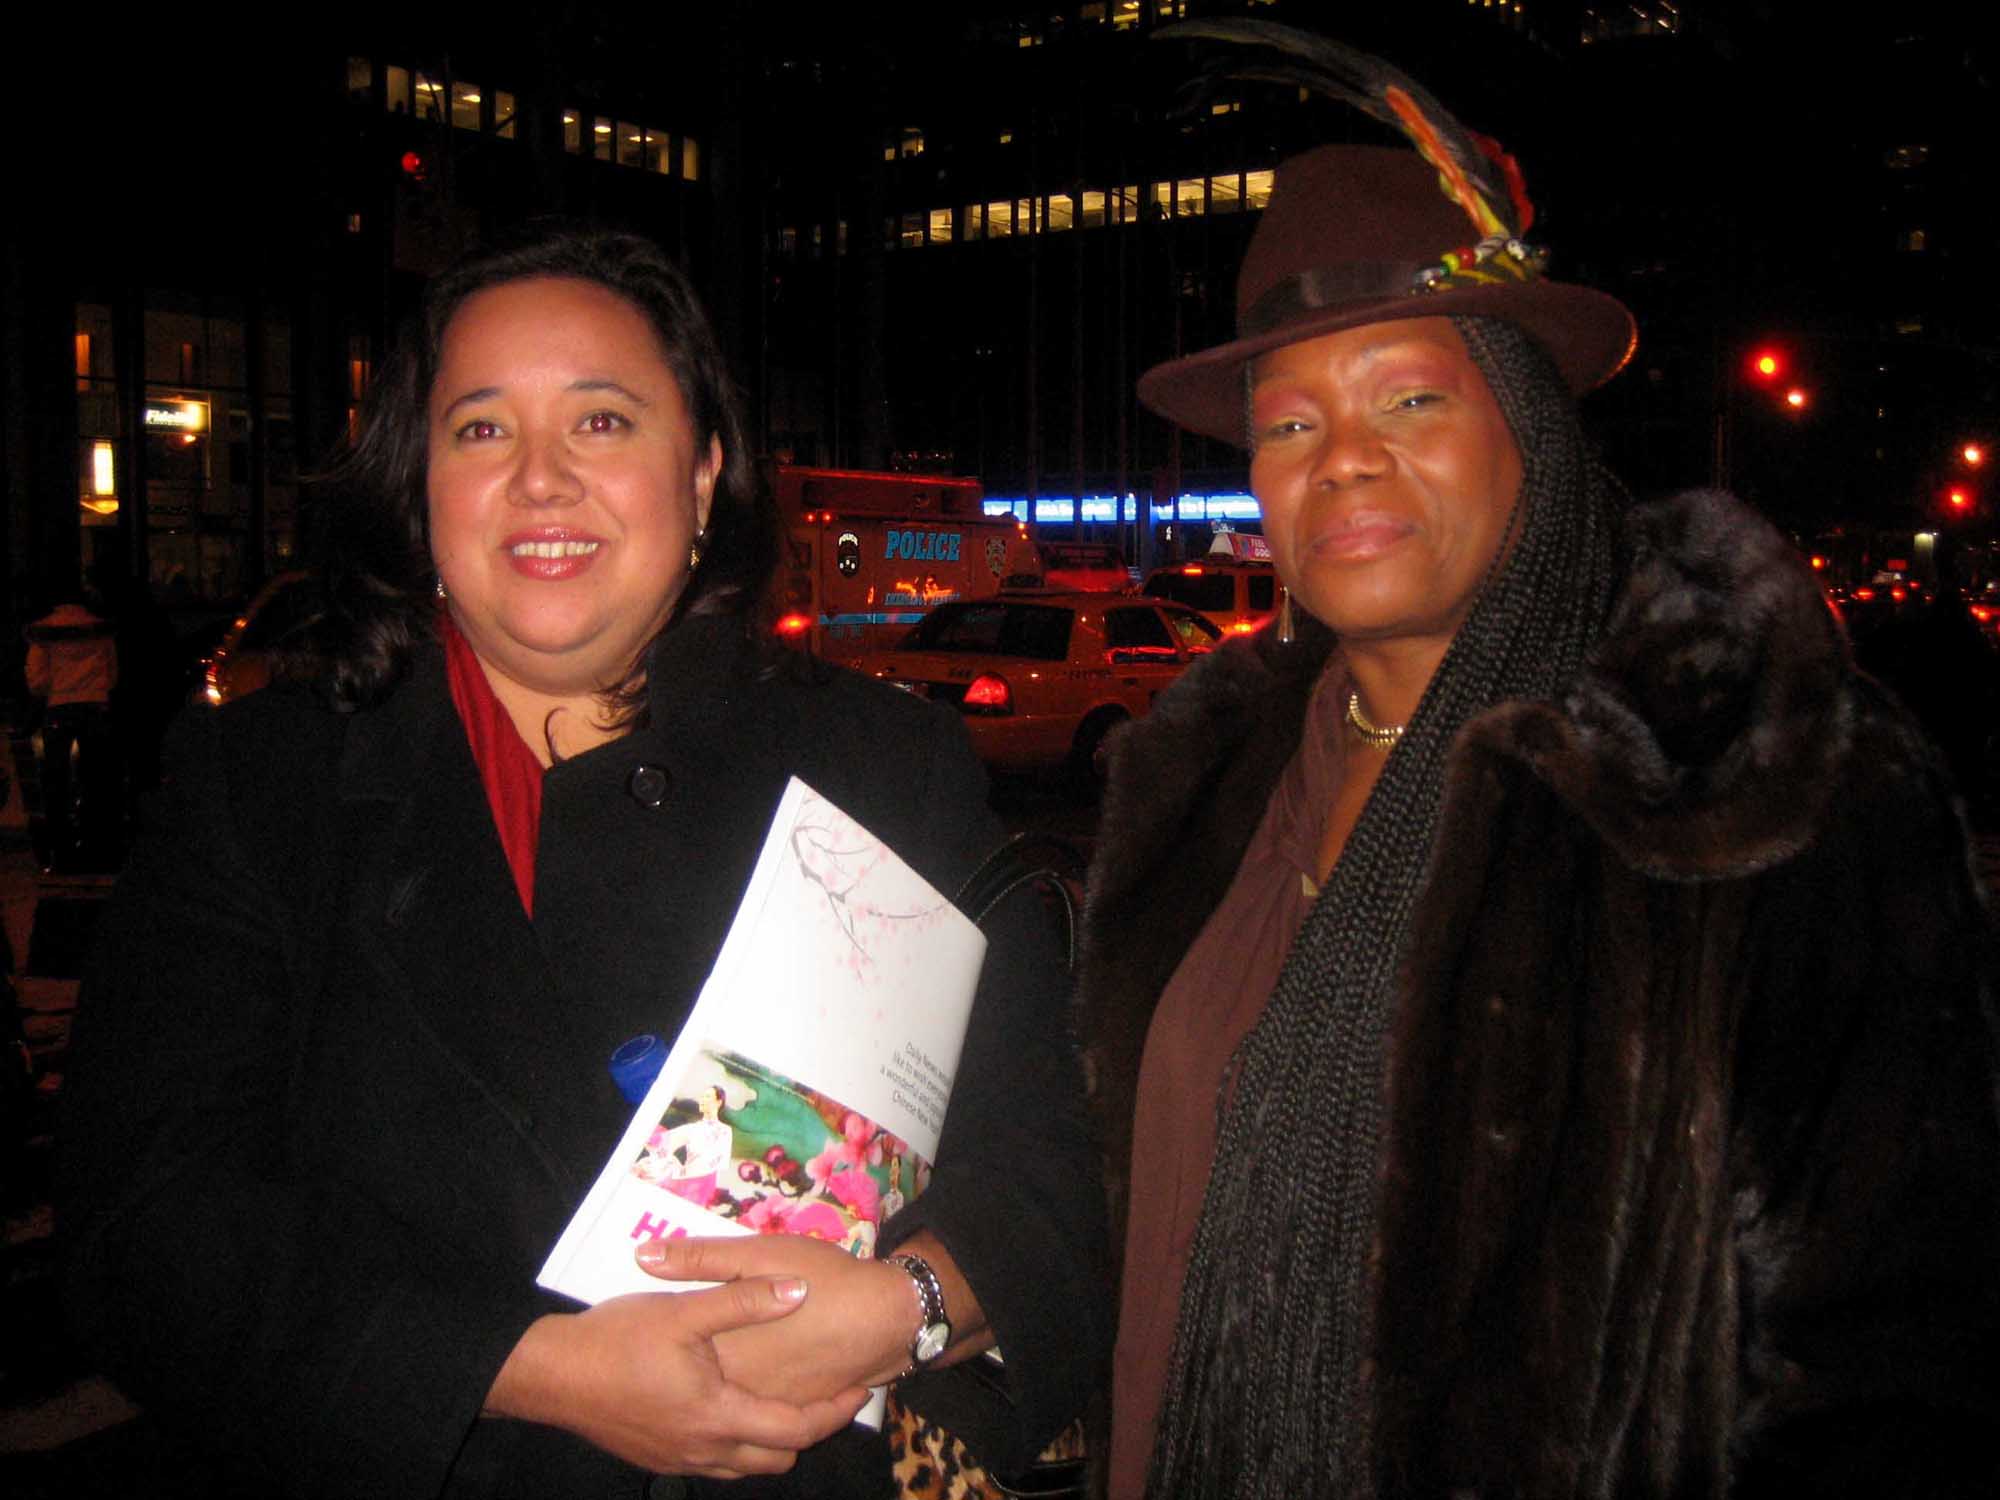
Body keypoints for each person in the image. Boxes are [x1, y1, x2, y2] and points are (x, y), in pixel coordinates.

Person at [1078, 45, 2000, 1500]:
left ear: (1527, 426)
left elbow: (1892, 1358)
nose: (1342, 460)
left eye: (1409, 401)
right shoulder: (1195, 783)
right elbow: (1119, 1209)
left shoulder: (1761, 789)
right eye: (1290, 423)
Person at [59, 225, 1107, 1498]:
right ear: (420, 485)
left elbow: (1056, 1166)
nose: (541, 478)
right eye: (480, 429)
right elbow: (146, 1224)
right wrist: (524, 1367)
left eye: (601, 422)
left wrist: (911, 1306)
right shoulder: (263, 785)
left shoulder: (887, 767)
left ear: (704, 473)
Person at [24, 587, 120, 871]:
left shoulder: (43, 632)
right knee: (97, 777)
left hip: (59, 707)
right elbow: (112, 674)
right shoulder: (101, 630)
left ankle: (61, 843)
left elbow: (37, 680)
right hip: (95, 705)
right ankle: (97, 841)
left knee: (56, 778)